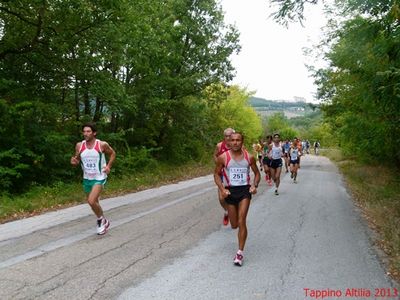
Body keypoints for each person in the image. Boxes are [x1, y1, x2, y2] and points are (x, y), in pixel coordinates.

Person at [214, 132, 260, 266]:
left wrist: (254, 185)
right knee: (234, 225)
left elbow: (257, 174)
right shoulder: (223, 157)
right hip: (230, 192)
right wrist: (222, 189)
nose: (235, 142)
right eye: (232, 140)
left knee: (241, 221)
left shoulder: (249, 157)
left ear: (242, 141)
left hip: (244, 191)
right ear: (229, 142)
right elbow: (216, 175)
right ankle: (228, 213)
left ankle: (240, 253)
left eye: (238, 140)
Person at [71, 122, 116, 235]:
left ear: (94, 133)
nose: (85, 134)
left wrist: (108, 166)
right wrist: (74, 162)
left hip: (99, 176)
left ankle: (100, 221)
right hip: (87, 178)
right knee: (94, 202)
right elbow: (76, 159)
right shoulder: (79, 145)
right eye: (84, 131)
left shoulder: (101, 144)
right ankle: (103, 220)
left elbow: (113, 154)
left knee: (91, 201)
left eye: (88, 131)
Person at [213, 127, 235, 226]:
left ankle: (234, 213)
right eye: (226, 136)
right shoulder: (219, 145)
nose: (227, 138)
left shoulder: (237, 145)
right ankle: (227, 211)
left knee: (234, 196)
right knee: (222, 198)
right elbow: (215, 155)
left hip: (233, 175)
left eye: (229, 136)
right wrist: (218, 164)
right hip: (222, 174)